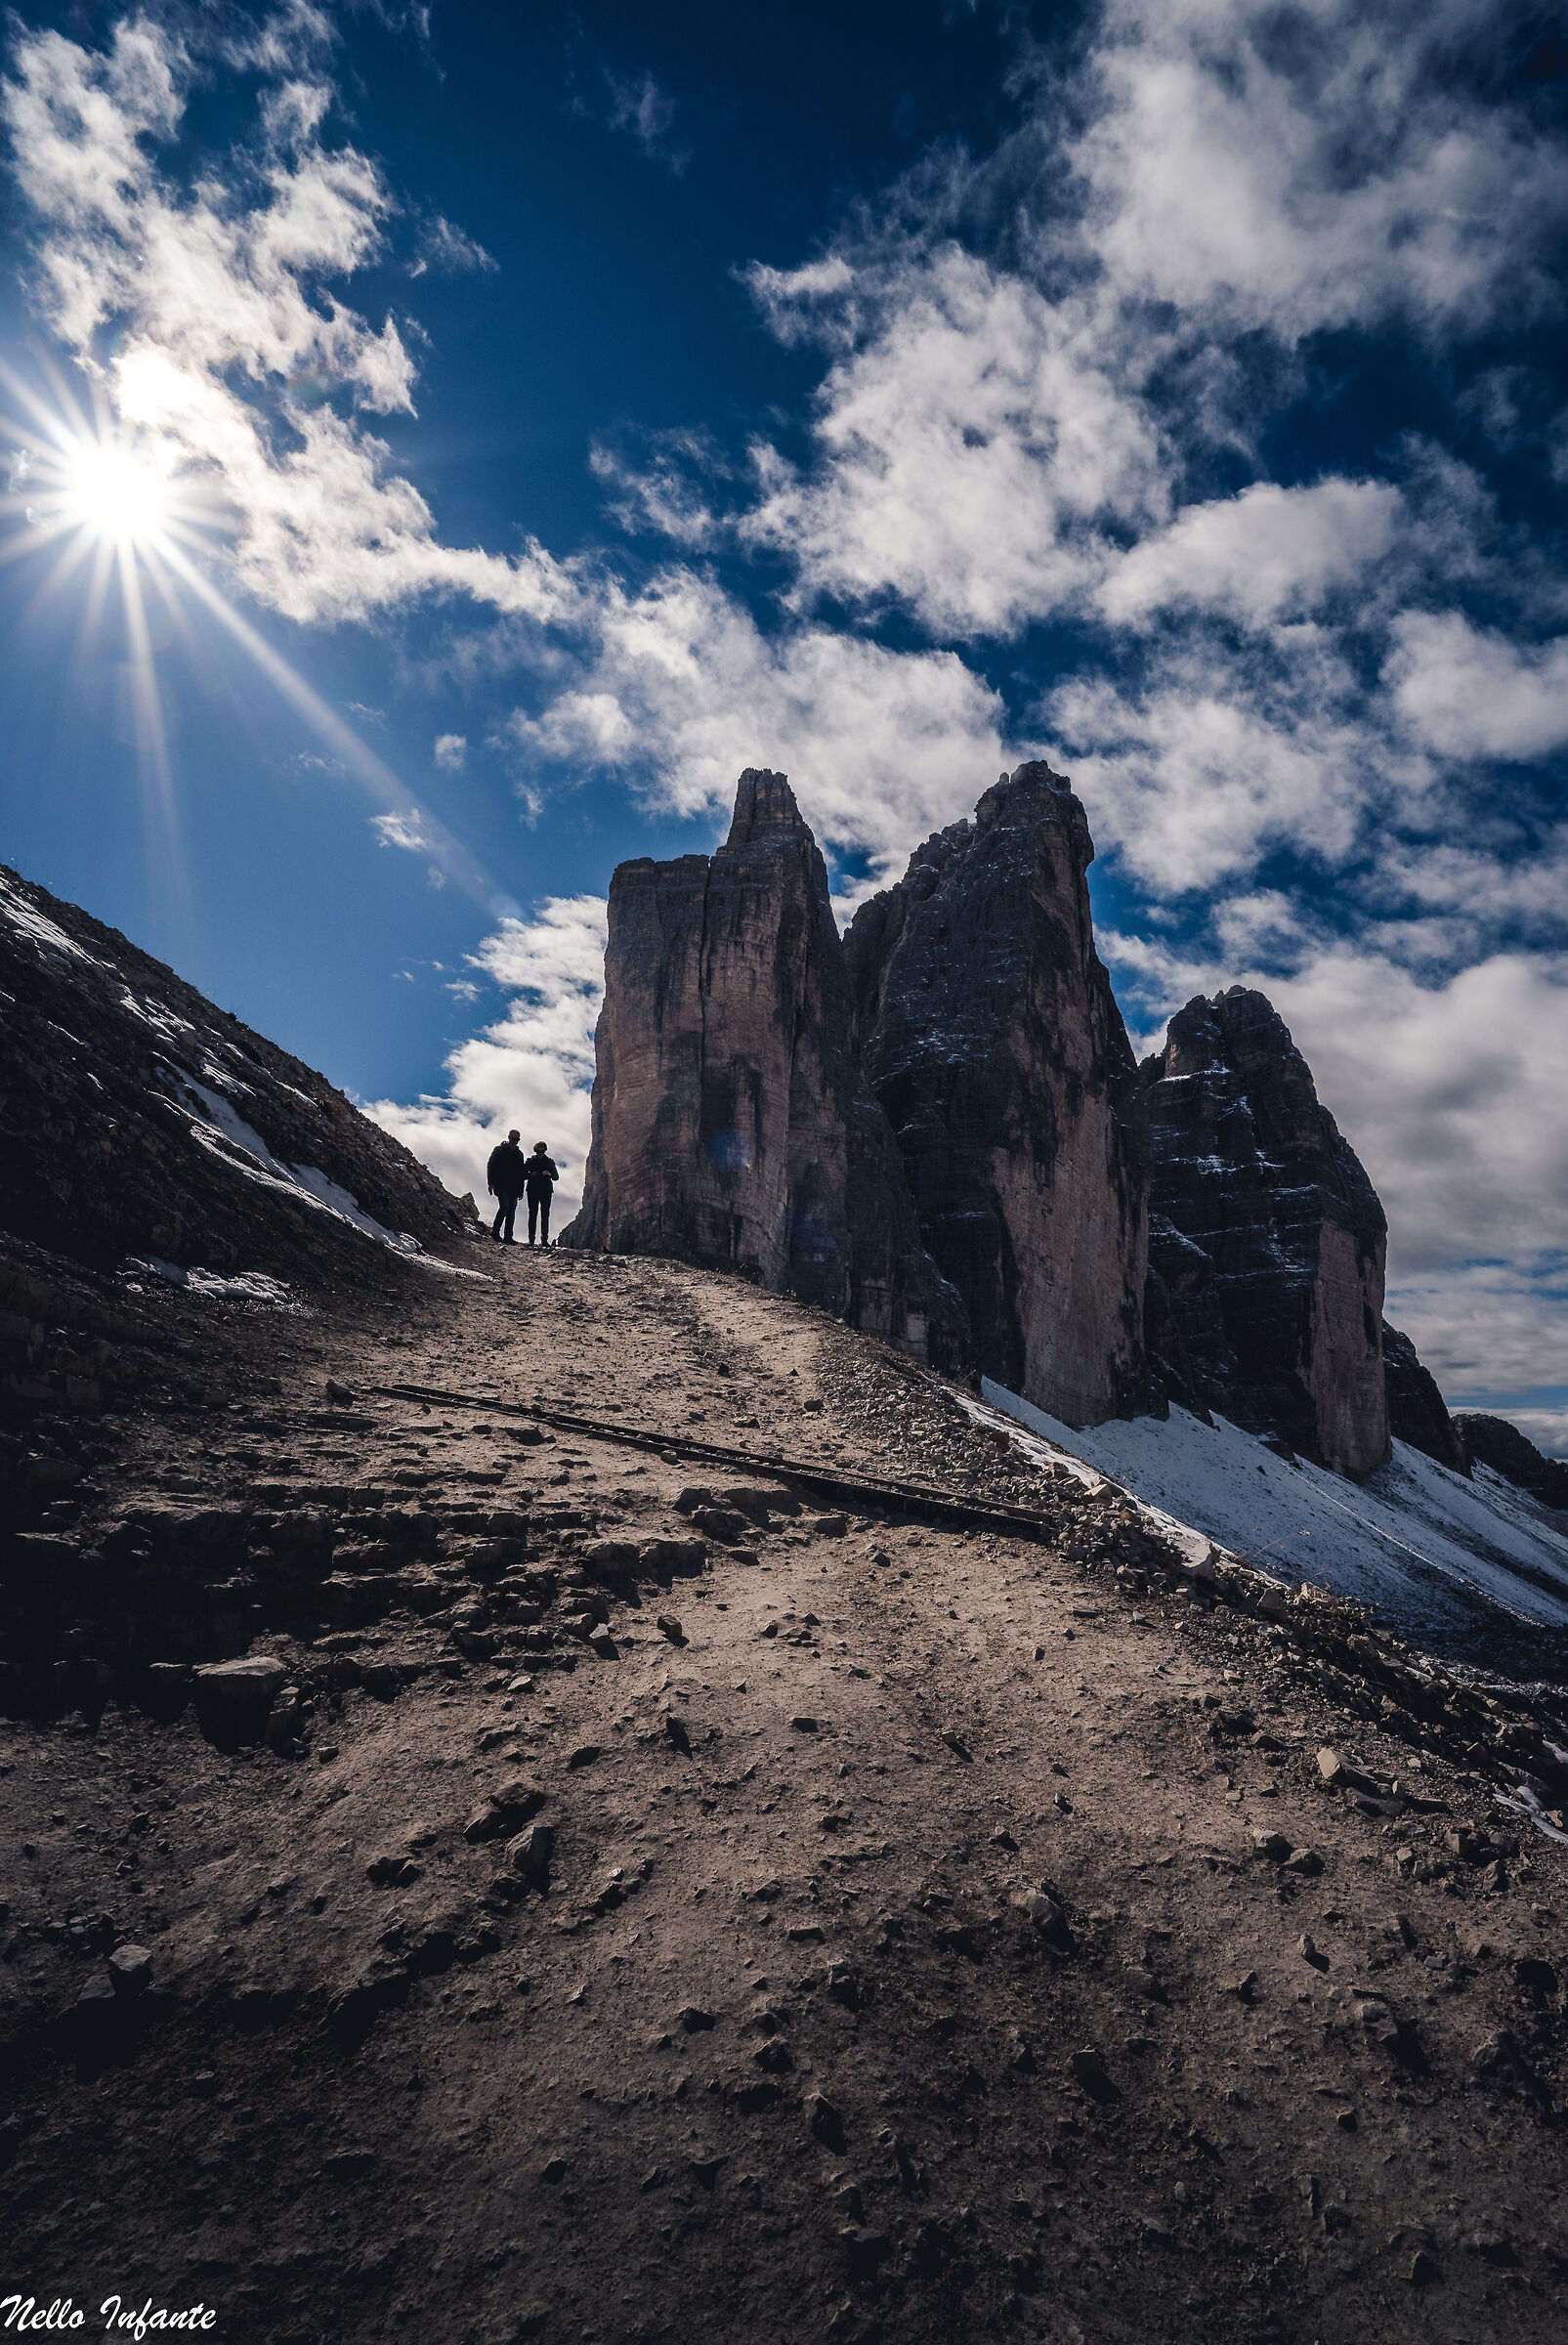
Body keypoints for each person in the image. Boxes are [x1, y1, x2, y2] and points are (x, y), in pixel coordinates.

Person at [486, 1129, 528, 1243]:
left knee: (511, 1211)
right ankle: (495, 1232)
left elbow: (521, 1173)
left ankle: (508, 1237)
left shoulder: (519, 1154)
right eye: (513, 1139)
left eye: (517, 1139)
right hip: (501, 1185)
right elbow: (491, 1166)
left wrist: (521, 1190)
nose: (515, 1141)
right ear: (509, 1137)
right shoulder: (499, 1150)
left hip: (514, 1187)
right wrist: (490, 1183)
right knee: (504, 1207)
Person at [524, 1140, 559, 1248]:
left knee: (545, 1215)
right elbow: (523, 1174)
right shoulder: (530, 1161)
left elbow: (556, 1177)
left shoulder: (549, 1162)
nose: (540, 1153)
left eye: (542, 1151)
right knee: (533, 1214)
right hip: (533, 1190)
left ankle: (544, 1240)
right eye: (539, 1151)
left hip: (545, 1190)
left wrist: (549, 1173)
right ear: (535, 1151)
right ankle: (531, 1239)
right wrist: (530, 1175)